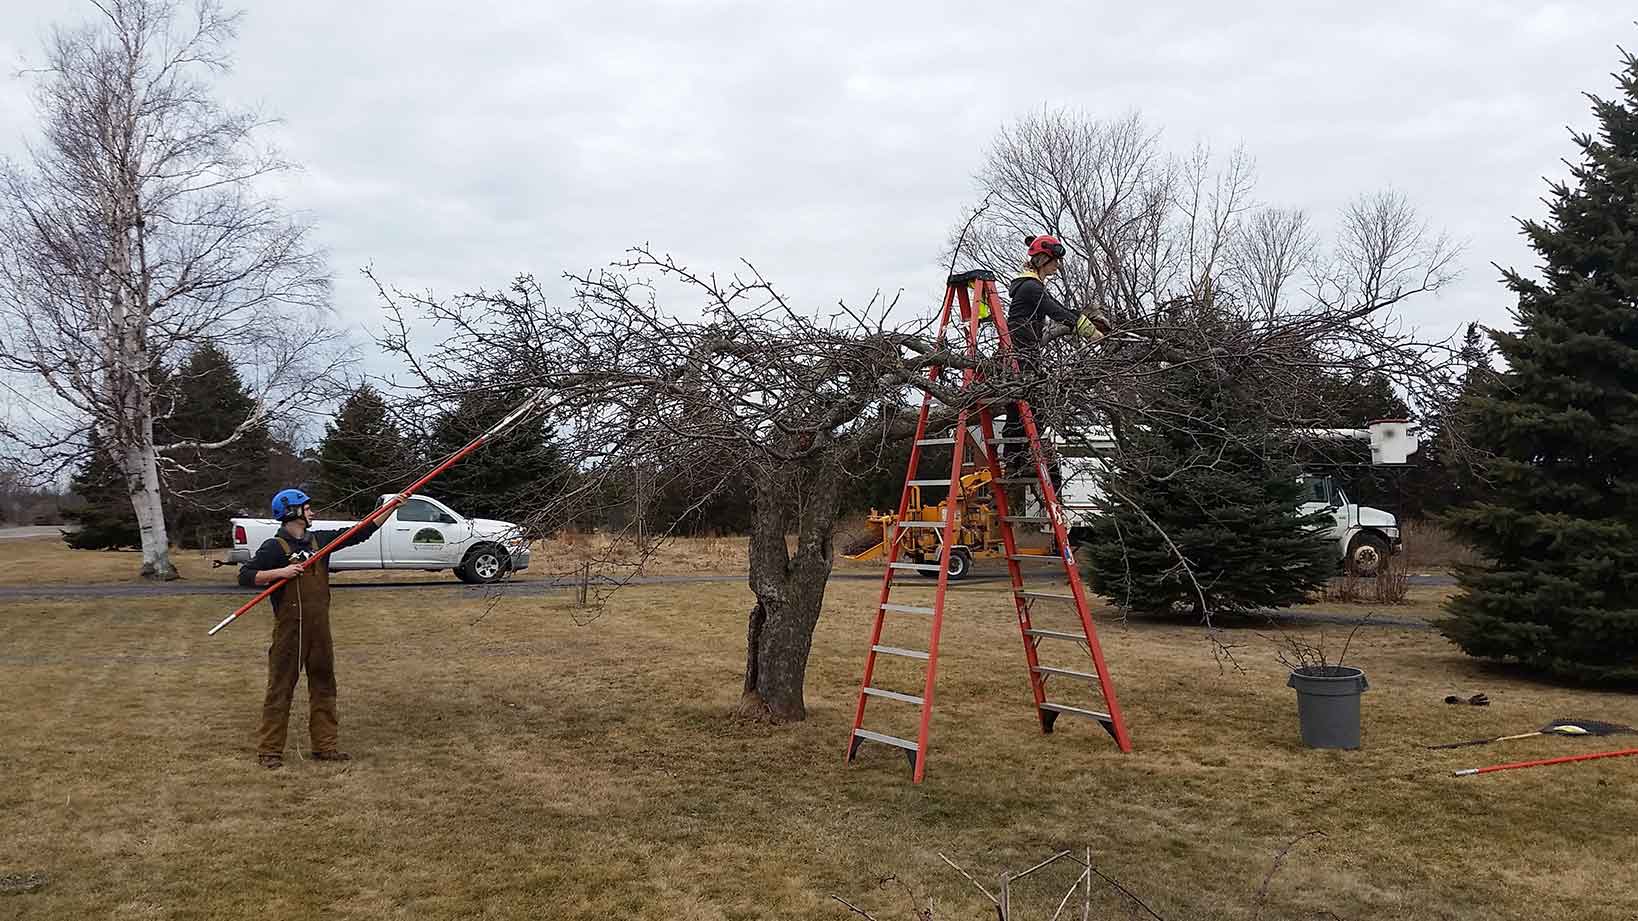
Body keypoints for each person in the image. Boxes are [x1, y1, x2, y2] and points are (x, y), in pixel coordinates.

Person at [239, 488, 388, 770]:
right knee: (280, 689)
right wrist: (279, 573)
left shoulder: (320, 541)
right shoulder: (274, 547)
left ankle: (325, 747)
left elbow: (361, 532)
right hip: (290, 632)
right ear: (292, 512)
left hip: (320, 629)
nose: (312, 512)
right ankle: (269, 752)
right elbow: (245, 576)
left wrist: (392, 507)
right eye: (307, 508)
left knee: (324, 686)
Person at [999, 234, 1108, 472]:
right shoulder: (1030, 287)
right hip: (1023, 353)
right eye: (1055, 260)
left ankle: (1015, 462)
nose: (1058, 265)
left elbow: (1058, 309)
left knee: (1019, 409)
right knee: (1032, 407)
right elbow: (1056, 310)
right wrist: (1091, 333)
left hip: (1023, 351)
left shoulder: (1029, 286)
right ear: (1042, 259)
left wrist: (1081, 319)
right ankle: (1020, 461)